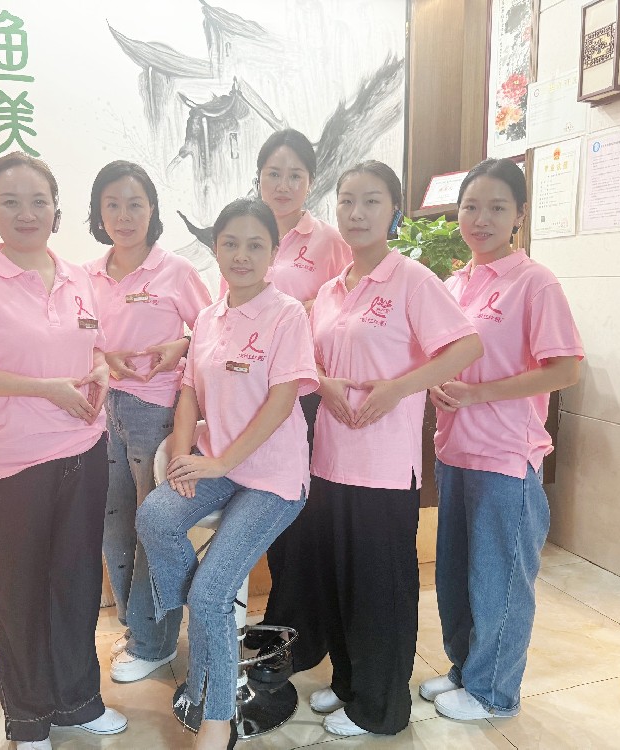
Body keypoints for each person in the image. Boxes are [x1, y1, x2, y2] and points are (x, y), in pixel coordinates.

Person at [0, 152, 126, 750]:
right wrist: (44, 389)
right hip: (13, 460)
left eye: (39, 200)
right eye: (10, 201)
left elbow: (94, 347)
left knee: (77, 582)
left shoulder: (78, 277)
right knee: (19, 590)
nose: (27, 212)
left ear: (57, 208)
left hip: (84, 449)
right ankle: (29, 718)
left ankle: (79, 700)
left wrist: (100, 372)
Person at [306, 160, 483, 737]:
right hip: (329, 457)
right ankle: (349, 682)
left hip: (383, 464)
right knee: (340, 581)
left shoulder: (411, 279)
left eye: (372, 201)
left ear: (394, 212)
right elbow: (310, 361)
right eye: (347, 201)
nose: (356, 213)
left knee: (381, 589)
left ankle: (380, 708)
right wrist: (325, 384)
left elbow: (465, 347)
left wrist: (400, 388)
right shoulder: (329, 290)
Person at [136, 197, 317, 750]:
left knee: (212, 592)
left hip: (274, 477)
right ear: (215, 249)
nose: (242, 254)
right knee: (155, 518)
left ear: (273, 252)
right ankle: (203, 621)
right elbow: (189, 393)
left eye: (255, 244)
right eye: (230, 243)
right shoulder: (209, 318)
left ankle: (218, 717)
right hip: (218, 465)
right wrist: (185, 456)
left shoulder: (288, 314)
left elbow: (282, 402)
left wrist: (221, 462)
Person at [421, 157, 583, 720]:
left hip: (506, 456)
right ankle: (465, 669)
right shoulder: (452, 284)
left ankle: (494, 692)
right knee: (456, 575)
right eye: (470, 207)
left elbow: (565, 369)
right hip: (453, 450)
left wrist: (478, 394)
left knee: (501, 582)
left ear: (519, 215)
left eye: (496, 207)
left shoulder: (534, 282)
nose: (480, 219)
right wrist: (436, 384)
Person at [84, 160, 211, 682]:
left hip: (155, 413)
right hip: (99, 412)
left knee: (148, 527)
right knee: (112, 524)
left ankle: (155, 641)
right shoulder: (85, 275)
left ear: (152, 209)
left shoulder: (175, 270)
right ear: (98, 212)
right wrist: (101, 357)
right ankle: (137, 628)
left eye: (135, 204)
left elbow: (215, 331)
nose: (124, 215)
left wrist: (181, 343)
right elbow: (73, 338)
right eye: (112, 204)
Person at [240, 130, 352, 673]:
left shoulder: (327, 240)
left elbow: (349, 305)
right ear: (259, 178)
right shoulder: (248, 231)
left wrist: (305, 310)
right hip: (255, 394)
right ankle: (277, 621)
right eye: (273, 174)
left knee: (300, 511)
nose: (282, 185)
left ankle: (298, 632)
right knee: (268, 504)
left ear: (311, 181)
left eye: (295, 175)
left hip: (305, 394)